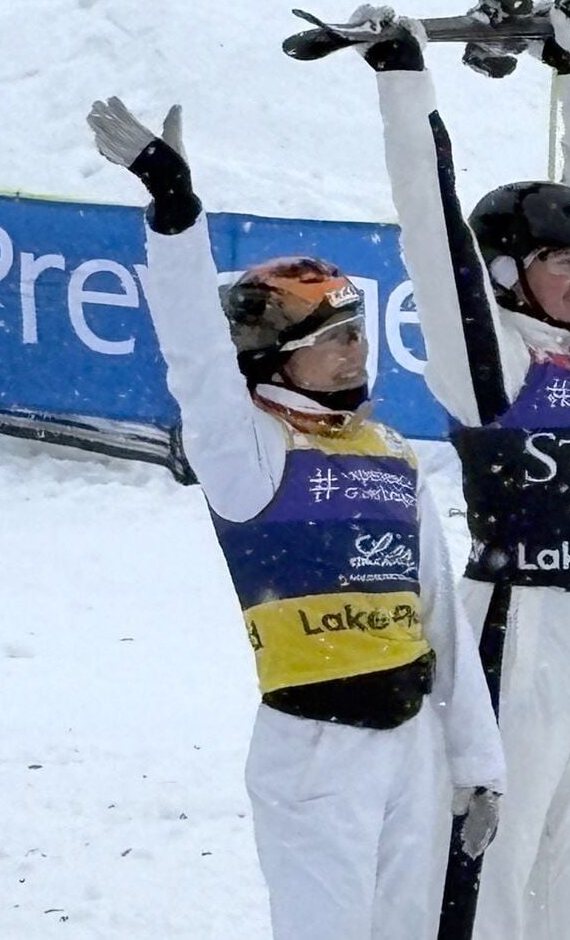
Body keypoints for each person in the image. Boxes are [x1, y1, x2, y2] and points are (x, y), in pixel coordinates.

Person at [86, 97, 505, 940]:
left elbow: (439, 622)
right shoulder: (249, 453)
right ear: (275, 356)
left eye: (357, 329)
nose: (355, 348)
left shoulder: (389, 450)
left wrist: (476, 763)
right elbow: (195, 358)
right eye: (333, 335)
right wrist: (176, 214)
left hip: (412, 741)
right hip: (315, 750)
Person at [340, 0, 570, 940]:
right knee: (491, 874)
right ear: (509, 271)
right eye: (563, 261)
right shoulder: (492, 368)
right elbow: (432, 231)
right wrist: (404, 83)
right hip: (517, 631)